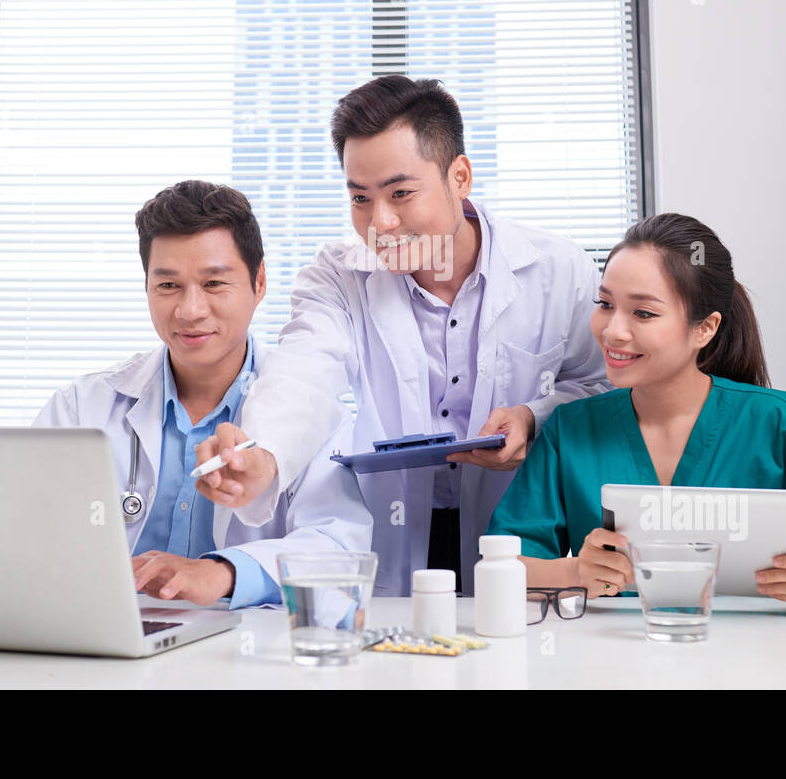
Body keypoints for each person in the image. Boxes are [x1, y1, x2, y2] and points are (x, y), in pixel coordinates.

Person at [192, 75, 611, 594]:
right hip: (393, 533)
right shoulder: (339, 274)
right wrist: (263, 454)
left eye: (401, 193)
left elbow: (600, 389)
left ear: (460, 177)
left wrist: (532, 416)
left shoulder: (557, 269)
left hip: (517, 537)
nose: (380, 222)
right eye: (360, 198)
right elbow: (303, 372)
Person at [487, 213, 786, 615]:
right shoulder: (572, 430)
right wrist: (574, 574)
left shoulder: (773, 422)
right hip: (618, 667)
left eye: (643, 312)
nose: (613, 331)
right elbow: (503, 566)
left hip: (759, 668)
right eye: (605, 304)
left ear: (706, 328)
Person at [32, 180, 372, 608]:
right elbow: (23, 530)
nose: (190, 310)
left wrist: (227, 572)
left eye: (213, 284)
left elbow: (339, 546)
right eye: (168, 286)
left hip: (243, 663)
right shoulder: (80, 410)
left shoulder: (312, 412)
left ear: (259, 282)